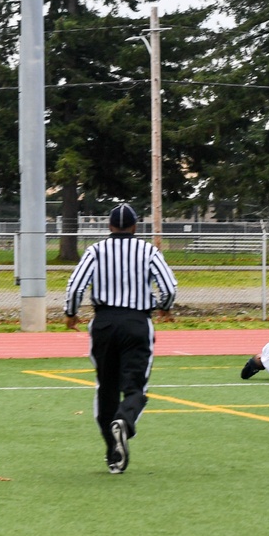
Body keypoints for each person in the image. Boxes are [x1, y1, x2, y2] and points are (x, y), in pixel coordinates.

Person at [64, 203, 178, 474]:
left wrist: (71, 313)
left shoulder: (96, 250)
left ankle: (113, 453)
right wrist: (166, 305)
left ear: (109, 227)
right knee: (136, 387)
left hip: (104, 323)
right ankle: (124, 422)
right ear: (135, 227)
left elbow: (76, 284)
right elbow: (169, 285)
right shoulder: (148, 250)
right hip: (137, 322)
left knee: (106, 388)